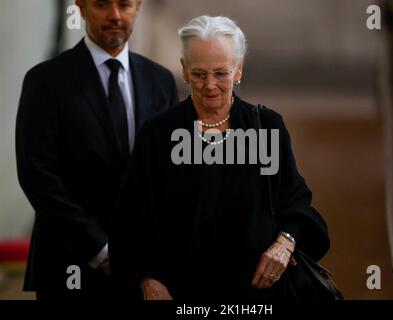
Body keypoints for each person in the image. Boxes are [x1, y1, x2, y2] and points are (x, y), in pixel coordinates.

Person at [110, 15, 329, 301]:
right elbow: (130, 221)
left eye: (221, 73)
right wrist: (148, 280)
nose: (210, 85)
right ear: (184, 70)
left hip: (256, 296)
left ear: (239, 70)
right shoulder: (157, 134)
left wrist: (284, 245)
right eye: (199, 74)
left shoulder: (267, 127)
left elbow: (296, 204)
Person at [15, 0, 178, 300]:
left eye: (124, 5)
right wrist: (102, 251)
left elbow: (167, 179)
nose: (115, 15)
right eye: (102, 4)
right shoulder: (45, 81)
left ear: (138, 6)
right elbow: (38, 177)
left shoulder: (161, 81)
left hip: (143, 271)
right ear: (81, 6)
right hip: (68, 265)